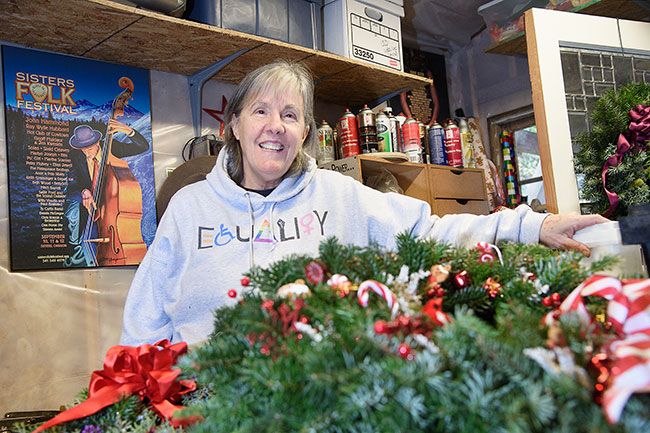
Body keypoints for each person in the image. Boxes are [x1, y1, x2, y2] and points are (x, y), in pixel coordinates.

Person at [120, 61, 607, 346]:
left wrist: (529, 226)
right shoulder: (189, 208)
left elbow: (427, 233)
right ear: (235, 125)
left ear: (306, 133)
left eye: (290, 115)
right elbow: (144, 319)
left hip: (325, 394)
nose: (275, 126)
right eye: (261, 111)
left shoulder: (339, 195)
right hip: (206, 405)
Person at [64, 119, 149, 267]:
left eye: (89, 147)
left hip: (111, 204)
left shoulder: (112, 147)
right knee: (83, 234)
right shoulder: (77, 158)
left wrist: (129, 131)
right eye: (82, 148)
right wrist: (84, 191)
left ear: (97, 142)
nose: (86, 152)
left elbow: (143, 147)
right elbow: (72, 185)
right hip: (92, 206)